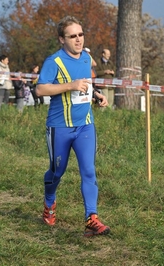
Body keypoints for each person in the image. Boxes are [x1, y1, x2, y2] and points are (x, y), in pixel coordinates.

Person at [36, 16, 110, 237]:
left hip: (85, 126)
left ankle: (91, 218)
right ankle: (49, 202)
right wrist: (70, 85)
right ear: (62, 39)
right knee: (57, 172)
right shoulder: (54, 62)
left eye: (81, 34)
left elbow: (85, 85)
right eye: (72, 36)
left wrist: (96, 94)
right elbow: (40, 90)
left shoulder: (86, 58)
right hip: (60, 127)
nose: (78, 39)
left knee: (88, 171)